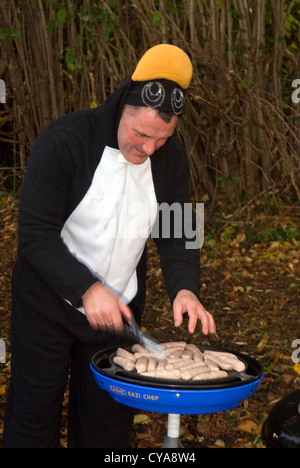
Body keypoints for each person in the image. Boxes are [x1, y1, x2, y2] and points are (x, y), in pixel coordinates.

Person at [3, 44, 215, 448]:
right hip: (45, 305)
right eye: (141, 135)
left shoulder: (173, 160)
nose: (149, 149)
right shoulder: (64, 141)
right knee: (33, 420)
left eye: (162, 139)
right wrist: (85, 288)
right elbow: (34, 232)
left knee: (107, 432)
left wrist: (185, 288)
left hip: (118, 314)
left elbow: (180, 232)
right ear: (122, 108)